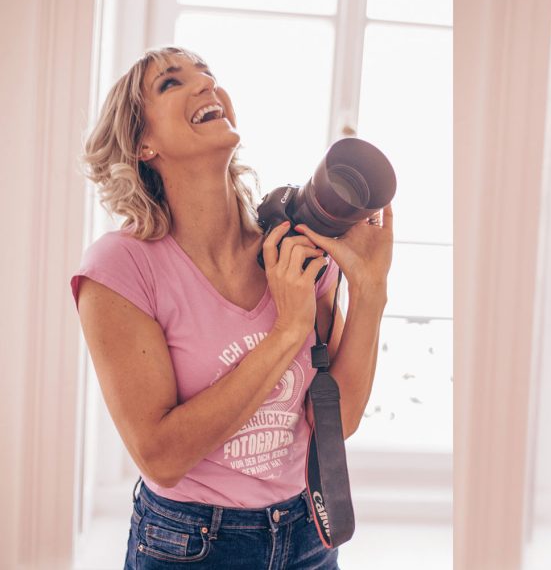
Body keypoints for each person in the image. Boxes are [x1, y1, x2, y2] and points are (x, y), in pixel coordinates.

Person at [71, 46, 393, 568]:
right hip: (190, 544)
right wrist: (287, 331)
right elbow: (162, 457)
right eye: (172, 83)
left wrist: (371, 291)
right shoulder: (120, 268)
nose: (205, 85)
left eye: (209, 75)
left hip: (308, 533)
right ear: (142, 143)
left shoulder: (293, 250)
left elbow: (336, 420)